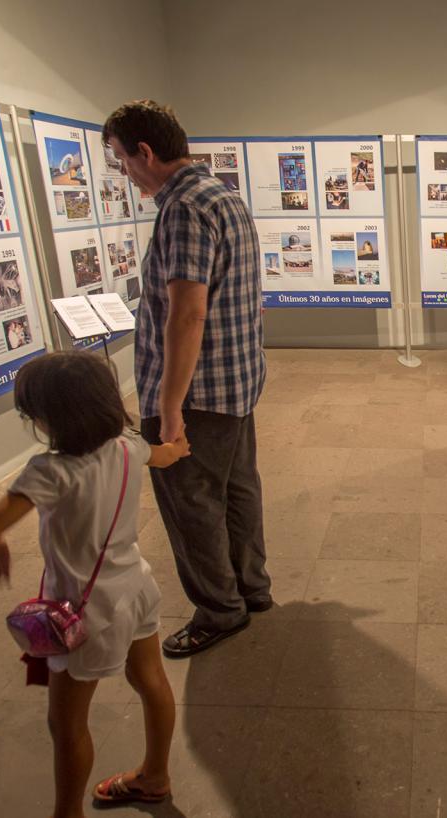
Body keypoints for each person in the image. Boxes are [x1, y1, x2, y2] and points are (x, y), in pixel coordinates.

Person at [0, 351, 190, 815]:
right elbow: (163, 456)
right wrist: (179, 448)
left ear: (46, 417)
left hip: (86, 611)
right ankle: (156, 775)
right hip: (136, 587)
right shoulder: (126, 445)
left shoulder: (48, 472)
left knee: (66, 725)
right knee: (151, 680)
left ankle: (67, 813)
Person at [104, 100, 271, 658]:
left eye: (122, 160)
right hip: (236, 383)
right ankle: (251, 589)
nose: (124, 172)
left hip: (196, 394)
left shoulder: (182, 209)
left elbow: (188, 313)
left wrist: (169, 406)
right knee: (237, 490)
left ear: (145, 152)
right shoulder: (223, 195)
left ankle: (220, 610)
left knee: (192, 502)